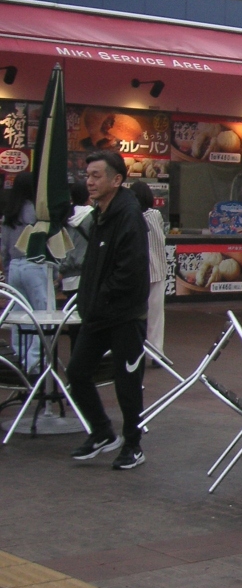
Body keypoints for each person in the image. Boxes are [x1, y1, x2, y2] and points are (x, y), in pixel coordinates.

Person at [66, 151, 150, 470]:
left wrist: (100, 298)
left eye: (96, 175)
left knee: (127, 382)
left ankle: (133, 445)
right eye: (87, 175)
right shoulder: (100, 213)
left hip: (125, 316)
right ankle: (102, 432)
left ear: (116, 180)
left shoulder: (128, 215)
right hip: (98, 315)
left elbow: (129, 270)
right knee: (77, 372)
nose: (89, 181)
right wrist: (88, 303)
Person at [1, 172, 48, 371]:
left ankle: (20, 361)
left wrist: (7, 269)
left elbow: (3, 248)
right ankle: (35, 365)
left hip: (14, 267)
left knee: (20, 317)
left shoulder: (9, 213)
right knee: (43, 317)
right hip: (35, 265)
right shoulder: (37, 212)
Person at [130, 182, 166, 360]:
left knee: (135, 314)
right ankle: (156, 353)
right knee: (156, 315)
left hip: (137, 271)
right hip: (158, 269)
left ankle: (135, 350)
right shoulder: (156, 214)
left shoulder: (130, 216)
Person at [58, 181, 94, 295]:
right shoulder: (92, 216)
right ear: (88, 196)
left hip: (66, 277)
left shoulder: (65, 216)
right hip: (85, 275)